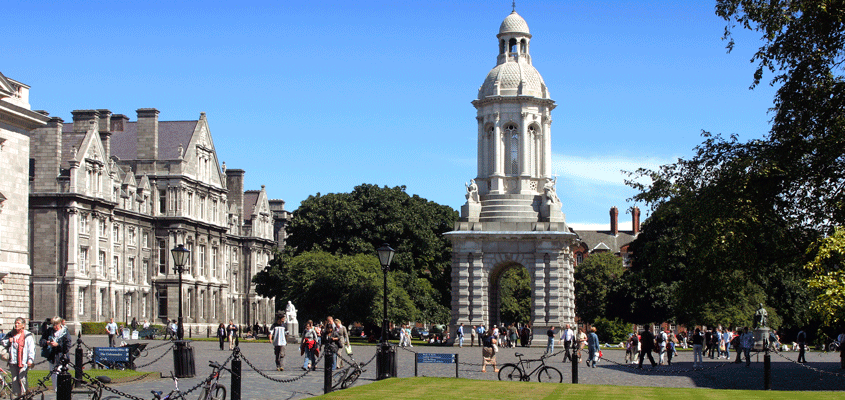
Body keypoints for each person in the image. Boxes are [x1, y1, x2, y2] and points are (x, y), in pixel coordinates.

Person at [3, 318, 35, 396]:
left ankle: (24, 395)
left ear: (23, 325)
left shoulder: (27, 335)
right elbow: (3, 342)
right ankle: (18, 396)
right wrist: (9, 341)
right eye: (15, 323)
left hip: (23, 362)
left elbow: (31, 349)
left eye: (18, 323)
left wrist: (30, 360)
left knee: (22, 379)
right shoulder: (11, 334)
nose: (16, 325)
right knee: (14, 380)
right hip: (13, 361)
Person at [40, 317, 70, 391]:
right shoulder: (49, 331)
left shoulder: (65, 332)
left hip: (62, 358)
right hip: (52, 358)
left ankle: (62, 394)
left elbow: (67, 346)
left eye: (56, 325)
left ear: (60, 323)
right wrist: (47, 342)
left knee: (62, 379)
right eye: (53, 325)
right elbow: (41, 341)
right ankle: (56, 393)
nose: (55, 327)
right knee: (54, 379)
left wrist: (57, 345)